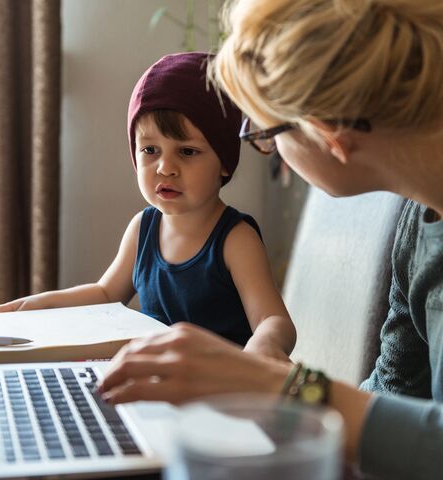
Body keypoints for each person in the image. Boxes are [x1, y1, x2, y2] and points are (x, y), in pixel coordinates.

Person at [97, 1, 443, 479]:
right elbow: (395, 391)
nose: (270, 148)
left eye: (265, 132)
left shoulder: (234, 236)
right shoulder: (420, 219)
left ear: (329, 131)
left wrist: (281, 386)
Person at [0, 52, 296, 360]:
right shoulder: (143, 228)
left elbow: (274, 322)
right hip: (156, 386)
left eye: (186, 152)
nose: (164, 167)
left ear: (224, 162)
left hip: (219, 391)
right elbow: (105, 294)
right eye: (150, 150)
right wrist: (34, 306)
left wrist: (264, 345)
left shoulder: (235, 239)